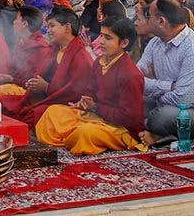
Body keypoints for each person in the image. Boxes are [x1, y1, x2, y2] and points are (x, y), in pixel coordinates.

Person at [36, 16, 146, 155]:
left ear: (124, 43)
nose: (102, 42)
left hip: (119, 128)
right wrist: (84, 102)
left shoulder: (130, 75)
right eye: (101, 36)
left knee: (85, 133)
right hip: (96, 117)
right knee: (53, 112)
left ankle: (71, 137)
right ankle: (70, 137)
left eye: (108, 38)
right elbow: (91, 91)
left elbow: (130, 118)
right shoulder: (99, 61)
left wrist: (95, 107)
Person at [137, 0, 194, 144]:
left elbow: (183, 100)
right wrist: (169, 86)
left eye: (148, 15)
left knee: (160, 117)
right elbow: (137, 79)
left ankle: (159, 133)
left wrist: (153, 86)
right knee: (130, 103)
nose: (146, 19)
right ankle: (158, 133)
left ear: (161, 21)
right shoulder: (155, 42)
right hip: (171, 102)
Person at [0, 7, 94, 128]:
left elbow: (75, 94)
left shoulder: (82, 57)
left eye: (52, 26)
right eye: (48, 26)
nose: (48, 31)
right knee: (6, 102)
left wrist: (46, 88)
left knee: (41, 114)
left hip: (66, 106)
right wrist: (35, 85)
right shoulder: (56, 49)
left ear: (67, 28)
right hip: (47, 99)